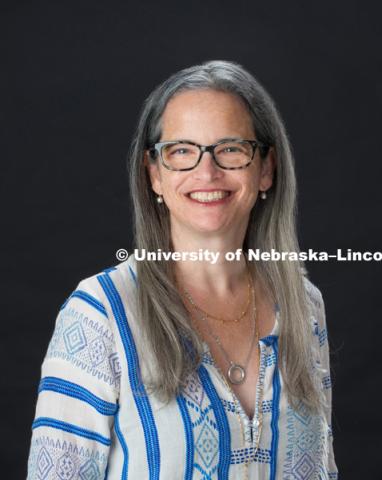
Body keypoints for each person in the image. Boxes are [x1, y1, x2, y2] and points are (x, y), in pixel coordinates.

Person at [26, 60, 338, 479]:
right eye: (182, 151)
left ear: (265, 168)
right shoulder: (101, 314)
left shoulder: (303, 306)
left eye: (230, 148)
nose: (206, 171)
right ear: (154, 173)